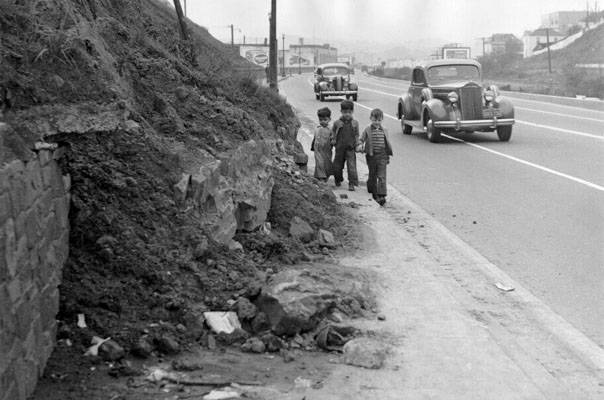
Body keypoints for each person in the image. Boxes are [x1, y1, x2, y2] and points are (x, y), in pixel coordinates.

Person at [357, 108, 393, 206]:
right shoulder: (367, 129)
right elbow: (361, 139)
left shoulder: (384, 130)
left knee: (381, 176)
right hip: (371, 156)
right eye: (374, 120)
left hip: (382, 156)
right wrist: (360, 145)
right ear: (370, 119)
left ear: (382, 119)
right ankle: (372, 189)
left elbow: (386, 144)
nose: (377, 122)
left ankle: (381, 195)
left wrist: (387, 156)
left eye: (379, 120)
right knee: (372, 174)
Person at [330, 100, 359, 191]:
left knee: (352, 167)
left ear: (352, 112)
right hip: (339, 148)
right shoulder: (337, 123)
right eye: (345, 112)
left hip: (350, 148)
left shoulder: (355, 123)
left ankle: (351, 183)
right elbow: (333, 133)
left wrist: (358, 144)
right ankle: (338, 179)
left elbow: (357, 135)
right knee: (337, 166)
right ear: (341, 112)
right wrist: (333, 140)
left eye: (349, 112)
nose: (347, 114)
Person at [311, 107, 333, 181]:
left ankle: (325, 176)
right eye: (321, 120)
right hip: (318, 149)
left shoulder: (330, 129)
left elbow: (333, 139)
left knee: (327, 164)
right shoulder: (317, 128)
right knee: (319, 163)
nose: (323, 122)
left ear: (329, 119)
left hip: (327, 150)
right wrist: (312, 146)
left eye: (325, 120)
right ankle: (321, 177)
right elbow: (315, 138)